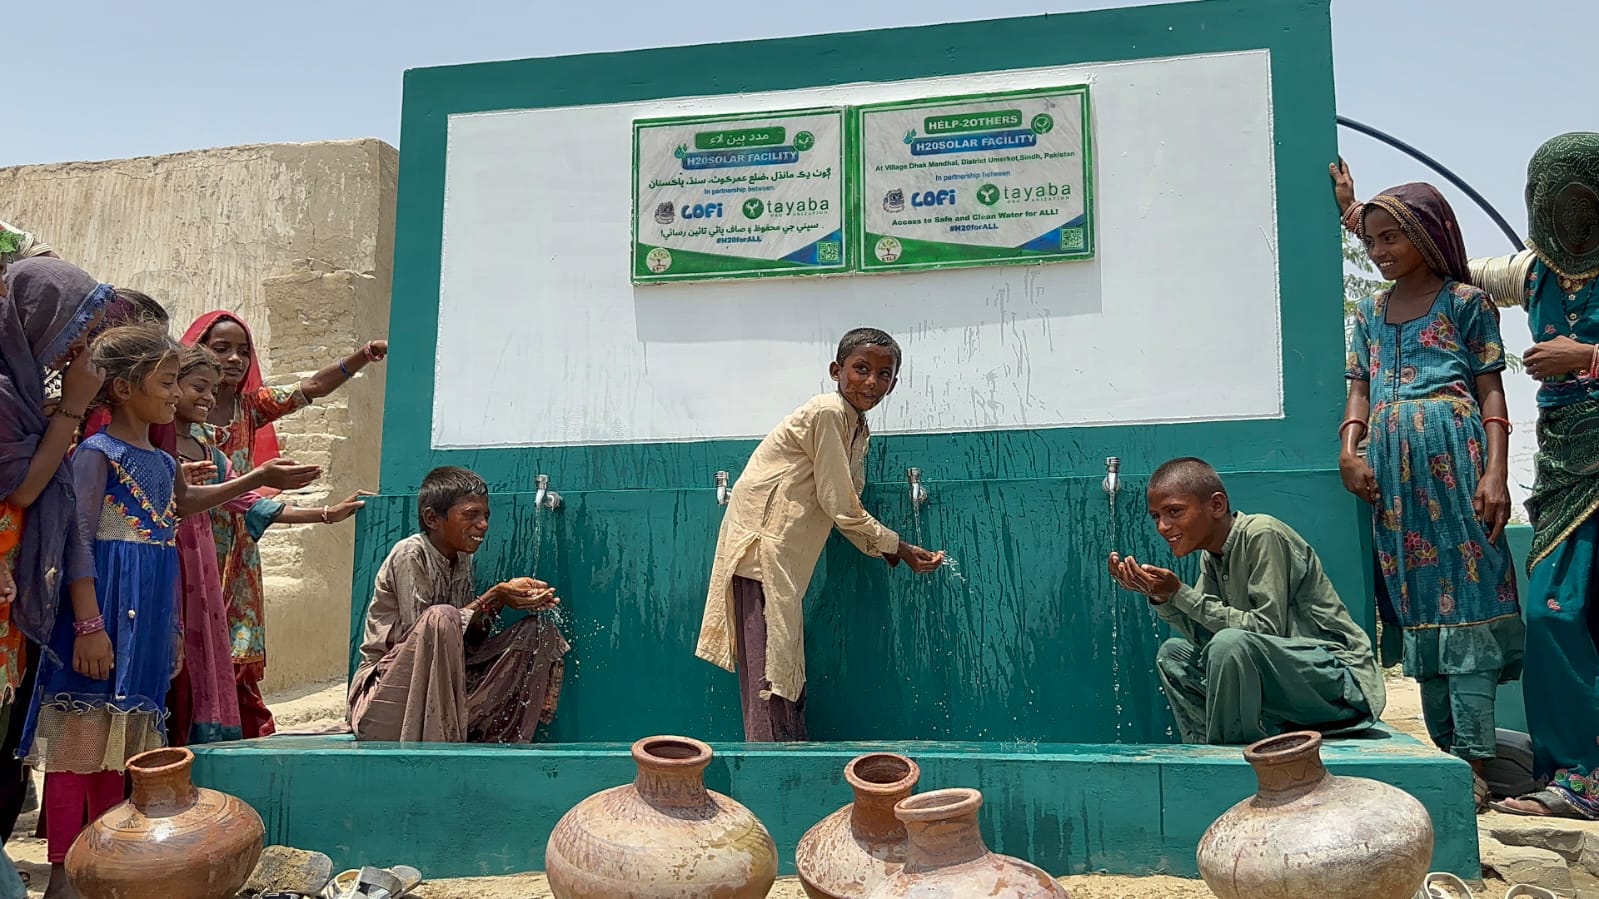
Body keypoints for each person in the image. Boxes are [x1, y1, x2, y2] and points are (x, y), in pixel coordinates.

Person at [1338, 135, 1599, 820]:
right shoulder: (1534, 271)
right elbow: (1425, 255)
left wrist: (1587, 358)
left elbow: (1484, 374)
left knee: (1528, 608)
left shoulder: (1471, 302)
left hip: (1474, 465)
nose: (1567, 218)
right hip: (1557, 468)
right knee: (1544, 613)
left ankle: (1539, 770)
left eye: (1579, 202)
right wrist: (1359, 216)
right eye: (1552, 203)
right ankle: (1565, 773)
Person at [19, 325, 309, 899]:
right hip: (103, 608)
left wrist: (174, 626)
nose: (177, 394)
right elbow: (78, 541)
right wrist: (88, 625)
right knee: (81, 740)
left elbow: (184, 505)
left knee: (123, 742)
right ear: (125, 388)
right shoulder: (96, 454)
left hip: (149, 610)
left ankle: (108, 860)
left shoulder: (159, 456)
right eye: (168, 382)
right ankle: (63, 873)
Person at [1335, 182, 1524, 811]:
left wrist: (1495, 472)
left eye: (1392, 237)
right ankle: (1447, 758)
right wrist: (1350, 449)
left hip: (1458, 460)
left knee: (1472, 597)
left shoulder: (1466, 302)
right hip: (1393, 476)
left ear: (1425, 235)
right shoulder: (1369, 310)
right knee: (1418, 605)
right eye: (1371, 241)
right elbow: (1359, 388)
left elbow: (1491, 390)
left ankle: (1475, 758)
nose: (1380, 251)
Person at [695, 328, 947, 742]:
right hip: (761, 552)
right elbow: (840, 504)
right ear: (836, 370)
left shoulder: (854, 424)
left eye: (884, 374)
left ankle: (786, 754)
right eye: (861, 369)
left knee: (783, 661)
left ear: (894, 383)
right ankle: (770, 765)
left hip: (781, 557)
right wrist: (897, 547)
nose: (871, 382)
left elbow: (842, 501)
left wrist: (884, 548)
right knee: (772, 668)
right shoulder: (829, 412)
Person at [181, 310, 388, 738]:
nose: (234, 359)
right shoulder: (173, 422)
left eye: (243, 351)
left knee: (238, 644)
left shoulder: (249, 407)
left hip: (239, 544)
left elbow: (311, 388)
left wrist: (364, 355)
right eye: (221, 348)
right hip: (190, 541)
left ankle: (233, 735)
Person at [1108, 457, 1386, 745]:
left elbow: (1265, 630)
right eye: (1156, 517)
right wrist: (1162, 597)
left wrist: (1181, 593)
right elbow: (1207, 641)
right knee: (1173, 654)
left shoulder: (1262, 534)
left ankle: (1227, 758)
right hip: (1291, 694)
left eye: (1174, 511)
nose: (1163, 526)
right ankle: (1204, 749)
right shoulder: (1212, 557)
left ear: (1217, 505)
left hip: (1340, 688)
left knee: (1230, 644)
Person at [0, 256, 110, 891]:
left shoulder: (22, 394)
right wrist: (70, 409)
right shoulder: (3, 394)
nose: (80, 348)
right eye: (77, 330)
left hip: (15, 603)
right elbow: (20, 488)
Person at [348, 466, 570, 743]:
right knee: (441, 616)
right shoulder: (411, 553)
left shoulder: (462, 558)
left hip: (446, 696)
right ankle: (441, 740)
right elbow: (426, 642)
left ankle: (499, 741)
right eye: (471, 515)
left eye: (486, 515)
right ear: (432, 518)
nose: (483, 525)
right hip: (386, 702)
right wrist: (493, 596)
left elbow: (468, 642)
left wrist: (508, 601)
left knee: (536, 632)